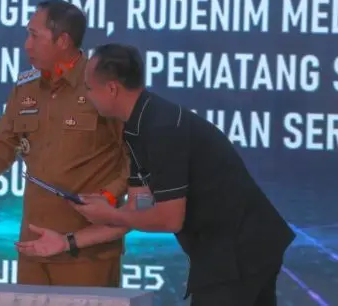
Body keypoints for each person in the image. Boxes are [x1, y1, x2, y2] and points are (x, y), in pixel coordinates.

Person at [16, 43, 296, 306]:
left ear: (112, 89)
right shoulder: (137, 128)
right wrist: (66, 241)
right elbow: (137, 212)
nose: (87, 97)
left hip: (239, 250)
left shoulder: (162, 128)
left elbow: (169, 219)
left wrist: (110, 214)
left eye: (89, 88)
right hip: (235, 249)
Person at [0, 0, 130, 287]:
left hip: (87, 250)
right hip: (34, 246)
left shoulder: (103, 85)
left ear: (62, 41)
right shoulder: (26, 87)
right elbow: (0, 149)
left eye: (34, 35)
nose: (26, 45)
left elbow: (135, 158)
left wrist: (110, 197)